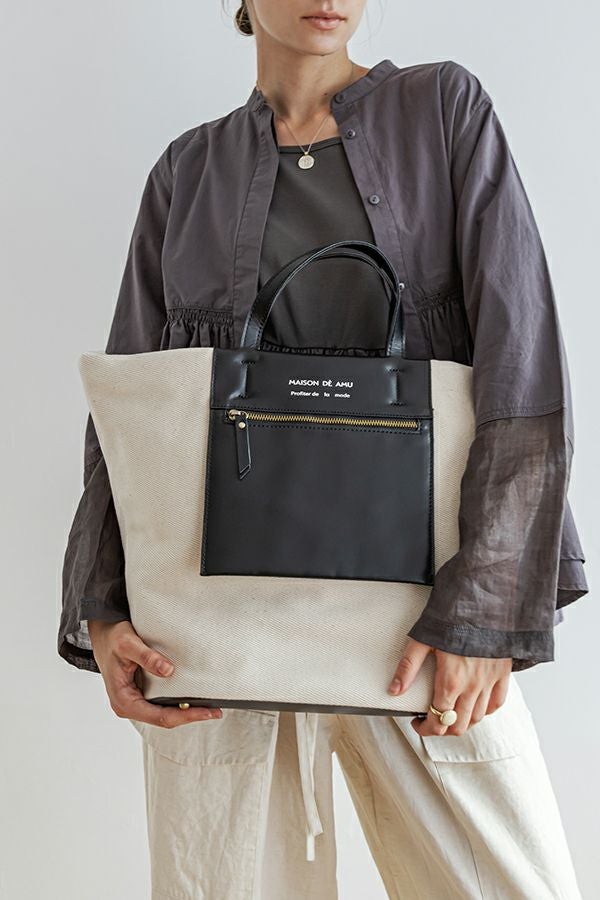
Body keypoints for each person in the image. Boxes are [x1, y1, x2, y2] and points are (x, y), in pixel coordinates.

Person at [58, 1, 589, 897]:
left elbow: (521, 359)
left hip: (420, 622)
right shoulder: (189, 172)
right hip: (211, 632)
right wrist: (105, 610)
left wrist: (484, 610)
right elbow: (131, 410)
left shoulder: (443, 112)